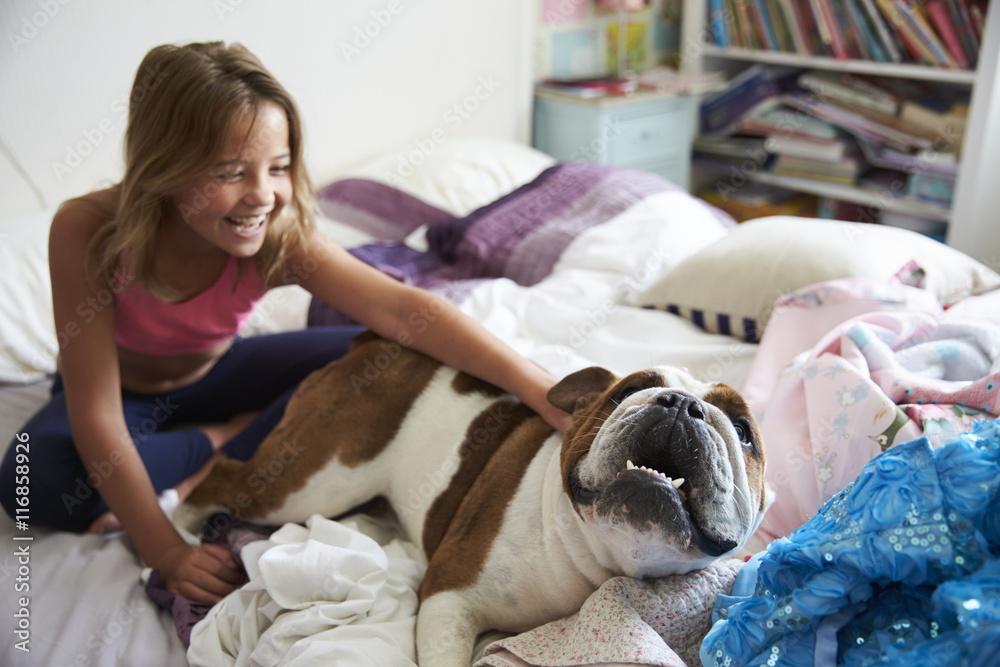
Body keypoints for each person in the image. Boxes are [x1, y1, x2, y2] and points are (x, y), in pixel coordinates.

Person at [0, 41, 571, 605]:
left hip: (221, 370)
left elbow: (406, 313)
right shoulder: (88, 229)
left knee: (388, 357)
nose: (262, 195)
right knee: (32, 482)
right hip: (123, 392)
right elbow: (95, 410)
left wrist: (537, 387)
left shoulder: (277, 235)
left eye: (277, 168)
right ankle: (222, 439)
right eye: (229, 171)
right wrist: (166, 552)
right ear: (166, 167)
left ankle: (225, 437)